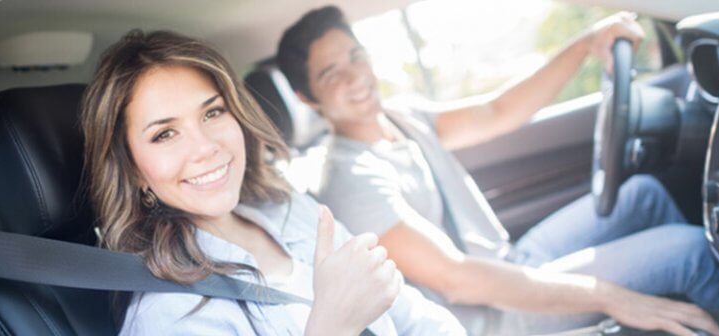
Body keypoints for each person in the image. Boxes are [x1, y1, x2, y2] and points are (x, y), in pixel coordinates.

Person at [275, 6, 719, 336]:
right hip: (491, 315)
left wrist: (586, 43)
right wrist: (613, 297)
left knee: (643, 194)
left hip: (510, 262)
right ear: (308, 99)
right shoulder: (348, 178)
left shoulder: (398, 117)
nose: (355, 76)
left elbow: (496, 112)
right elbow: (458, 278)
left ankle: (696, 305)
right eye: (331, 74)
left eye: (355, 56)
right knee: (689, 251)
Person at [80, 30, 466, 335]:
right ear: (131, 169)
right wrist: (332, 328)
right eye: (165, 134)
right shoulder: (168, 315)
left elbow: (410, 312)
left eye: (213, 112)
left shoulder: (291, 208)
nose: (206, 148)